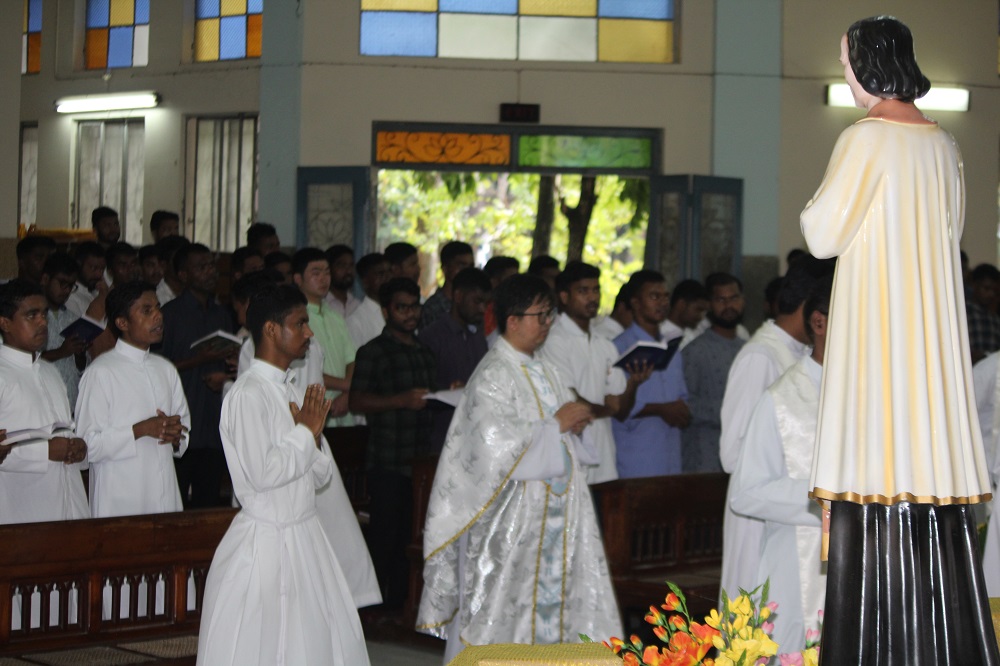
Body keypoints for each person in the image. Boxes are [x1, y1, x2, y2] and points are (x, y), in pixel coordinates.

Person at [801, 16, 997, 664]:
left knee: (876, 471)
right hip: (930, 350)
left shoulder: (866, 138)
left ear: (870, 63)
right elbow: (953, 230)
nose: (846, 74)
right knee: (924, 469)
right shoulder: (942, 143)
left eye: (846, 62)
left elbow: (821, 235)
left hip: (878, 341)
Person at [417, 274, 621, 661]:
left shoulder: (547, 370)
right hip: (509, 525)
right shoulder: (493, 375)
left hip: (554, 518)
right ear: (512, 321)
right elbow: (492, 449)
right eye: (540, 316)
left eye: (549, 315)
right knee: (503, 615)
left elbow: (556, 431)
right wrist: (556, 425)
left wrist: (572, 427)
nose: (547, 324)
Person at [196, 284, 370, 666]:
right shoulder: (247, 394)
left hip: (305, 535)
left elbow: (320, 475)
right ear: (272, 330)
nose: (309, 333)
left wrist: (313, 436)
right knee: (266, 645)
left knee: (315, 641)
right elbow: (263, 473)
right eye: (300, 323)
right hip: (266, 540)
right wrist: (305, 432)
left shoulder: (290, 389)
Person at [716, 255, 830, 606]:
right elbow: (733, 455)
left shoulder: (801, 354)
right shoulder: (761, 356)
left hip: (800, 519)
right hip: (763, 518)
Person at [349, 277, 436, 611]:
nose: (411, 314)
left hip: (419, 460)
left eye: (415, 307)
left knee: (410, 537)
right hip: (387, 459)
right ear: (386, 311)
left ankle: (400, 606)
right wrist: (400, 400)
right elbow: (356, 401)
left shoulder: (425, 353)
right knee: (384, 537)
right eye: (402, 308)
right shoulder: (373, 352)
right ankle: (373, 608)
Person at [76, 281, 189, 518]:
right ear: (122, 323)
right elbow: (86, 447)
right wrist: (140, 430)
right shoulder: (100, 372)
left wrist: (176, 437)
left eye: (158, 308)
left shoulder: (166, 369)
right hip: (118, 500)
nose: (158, 316)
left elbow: (184, 431)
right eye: (147, 310)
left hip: (164, 494)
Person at [541, 261, 650, 484]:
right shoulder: (554, 340)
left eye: (595, 290)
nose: (592, 297)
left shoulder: (605, 344)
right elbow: (571, 403)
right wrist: (607, 408)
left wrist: (633, 385)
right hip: (569, 455)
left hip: (604, 459)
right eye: (583, 291)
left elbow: (620, 410)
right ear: (564, 297)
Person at [0, 280, 89, 525]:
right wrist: (46, 452)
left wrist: (78, 446)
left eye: (44, 314)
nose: (43, 322)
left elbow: (64, 430)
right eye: (32, 315)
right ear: (4, 323)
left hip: (69, 501)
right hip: (22, 508)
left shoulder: (50, 371)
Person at [160, 243, 235, 508]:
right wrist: (198, 360)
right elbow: (158, 368)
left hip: (213, 424)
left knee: (209, 503)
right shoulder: (169, 314)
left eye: (212, 265)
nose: (211, 272)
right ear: (183, 274)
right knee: (176, 503)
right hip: (181, 425)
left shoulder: (222, 314)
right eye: (202, 267)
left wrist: (230, 366)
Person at [611, 270, 690, 478]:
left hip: (671, 458)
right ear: (636, 303)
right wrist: (660, 409)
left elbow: (681, 396)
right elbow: (615, 405)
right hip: (636, 459)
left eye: (665, 296)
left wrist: (682, 411)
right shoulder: (618, 348)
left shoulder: (672, 348)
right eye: (654, 297)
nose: (662, 303)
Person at [418, 267, 491, 452]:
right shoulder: (431, 337)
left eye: (485, 303)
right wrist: (450, 390)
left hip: (474, 435)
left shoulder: (478, 337)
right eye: (477, 302)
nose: (482, 309)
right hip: (441, 437)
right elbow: (422, 392)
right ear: (458, 296)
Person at [680, 273, 746, 473]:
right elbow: (684, 406)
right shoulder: (694, 351)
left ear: (742, 300)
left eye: (733, 298)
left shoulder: (748, 350)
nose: (728, 306)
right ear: (709, 304)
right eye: (721, 300)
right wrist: (732, 412)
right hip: (704, 459)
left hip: (743, 460)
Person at [293, 247, 355, 427]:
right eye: (316, 273)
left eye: (327, 272)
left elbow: (351, 359)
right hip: (312, 409)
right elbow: (301, 368)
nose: (324, 279)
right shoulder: (296, 319)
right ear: (298, 279)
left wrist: (347, 394)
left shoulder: (335, 316)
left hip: (342, 405)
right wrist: (347, 386)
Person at [39, 252, 88, 409]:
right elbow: (27, 361)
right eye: (62, 283)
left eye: (71, 286)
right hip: (44, 402)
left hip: (71, 401)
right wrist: (61, 352)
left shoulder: (74, 318)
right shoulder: (33, 319)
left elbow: (81, 368)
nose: (66, 290)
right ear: (45, 279)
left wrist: (80, 355)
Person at [421, 241, 475, 329]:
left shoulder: (474, 305)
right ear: (445, 268)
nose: (467, 271)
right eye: (461, 266)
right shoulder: (432, 308)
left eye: (471, 266)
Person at [347, 252, 390, 348]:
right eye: (381, 273)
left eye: (389, 272)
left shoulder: (397, 311)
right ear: (365, 281)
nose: (387, 278)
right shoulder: (356, 321)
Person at [966, 263, 1000, 363]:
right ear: (974, 285)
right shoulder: (965, 313)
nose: (991, 294)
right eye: (986, 288)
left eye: (995, 291)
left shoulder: (995, 319)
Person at [660, 279, 708, 344]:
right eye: (698, 309)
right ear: (681, 305)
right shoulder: (659, 334)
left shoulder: (694, 334)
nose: (701, 317)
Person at [65, 241, 106, 318]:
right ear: (79, 265)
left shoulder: (97, 290)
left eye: (102, 269)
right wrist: (102, 297)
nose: (99, 274)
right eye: (94, 268)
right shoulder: (69, 296)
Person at [324, 244, 361, 318]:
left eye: (351, 265)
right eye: (342, 266)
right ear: (328, 269)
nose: (348, 271)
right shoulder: (321, 304)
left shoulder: (357, 305)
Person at [153, 235, 190, 306]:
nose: (186, 264)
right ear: (163, 265)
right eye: (179, 260)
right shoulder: (157, 299)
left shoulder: (196, 294)